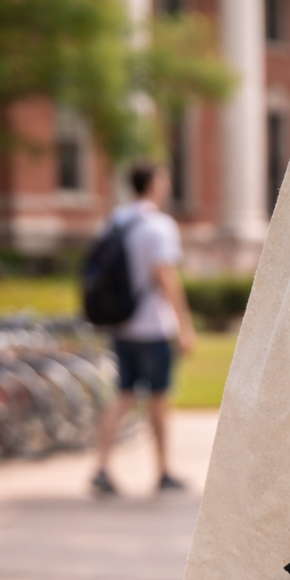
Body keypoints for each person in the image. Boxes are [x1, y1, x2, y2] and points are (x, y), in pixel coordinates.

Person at [91, 160, 196, 496]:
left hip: (121, 323)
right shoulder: (159, 225)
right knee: (158, 398)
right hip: (152, 326)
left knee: (122, 395)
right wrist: (185, 325)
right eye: (163, 179)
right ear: (153, 184)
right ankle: (163, 471)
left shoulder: (116, 221)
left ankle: (102, 467)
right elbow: (165, 276)